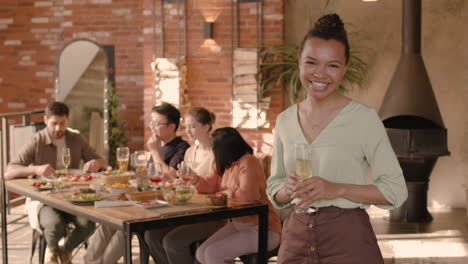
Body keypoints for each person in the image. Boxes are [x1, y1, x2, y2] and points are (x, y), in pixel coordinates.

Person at [265, 14, 408, 264]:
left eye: (332, 65)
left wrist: (336, 189)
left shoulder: (364, 119)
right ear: (299, 62)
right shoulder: (285, 121)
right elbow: (274, 187)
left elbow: (394, 191)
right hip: (295, 238)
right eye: (311, 62)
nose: (320, 74)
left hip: (349, 240)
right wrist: (285, 190)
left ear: (344, 69)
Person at [84, 102, 190, 264]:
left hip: (164, 205)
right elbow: (146, 178)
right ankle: (89, 261)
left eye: (157, 123)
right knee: (109, 220)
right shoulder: (159, 145)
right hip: (146, 198)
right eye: (151, 123)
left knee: (124, 226)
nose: (152, 127)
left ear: (171, 126)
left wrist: (154, 151)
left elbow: (171, 177)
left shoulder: (182, 148)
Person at [5, 101, 106, 264]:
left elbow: (101, 161)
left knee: (88, 224)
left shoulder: (75, 138)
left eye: (62, 123)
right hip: (45, 199)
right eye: (54, 124)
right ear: (45, 120)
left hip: (72, 197)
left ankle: (62, 252)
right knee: (54, 225)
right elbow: (9, 171)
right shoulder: (37, 140)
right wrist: (36, 170)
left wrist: (96, 163)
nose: (59, 128)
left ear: (67, 120)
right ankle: (54, 254)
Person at [143, 107, 225, 264]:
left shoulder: (218, 152)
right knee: (151, 235)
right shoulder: (190, 151)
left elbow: (219, 185)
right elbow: (185, 182)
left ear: (206, 126)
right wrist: (178, 183)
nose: (189, 131)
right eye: (186, 126)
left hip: (211, 213)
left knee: (171, 241)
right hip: (189, 209)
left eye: (193, 126)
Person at [195, 127, 281, 264]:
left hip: (264, 229)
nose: (213, 151)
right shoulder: (224, 164)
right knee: (201, 253)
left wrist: (226, 193)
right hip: (239, 224)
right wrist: (194, 179)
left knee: (212, 254)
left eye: (214, 148)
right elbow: (210, 185)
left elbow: (248, 195)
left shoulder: (249, 162)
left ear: (223, 150)